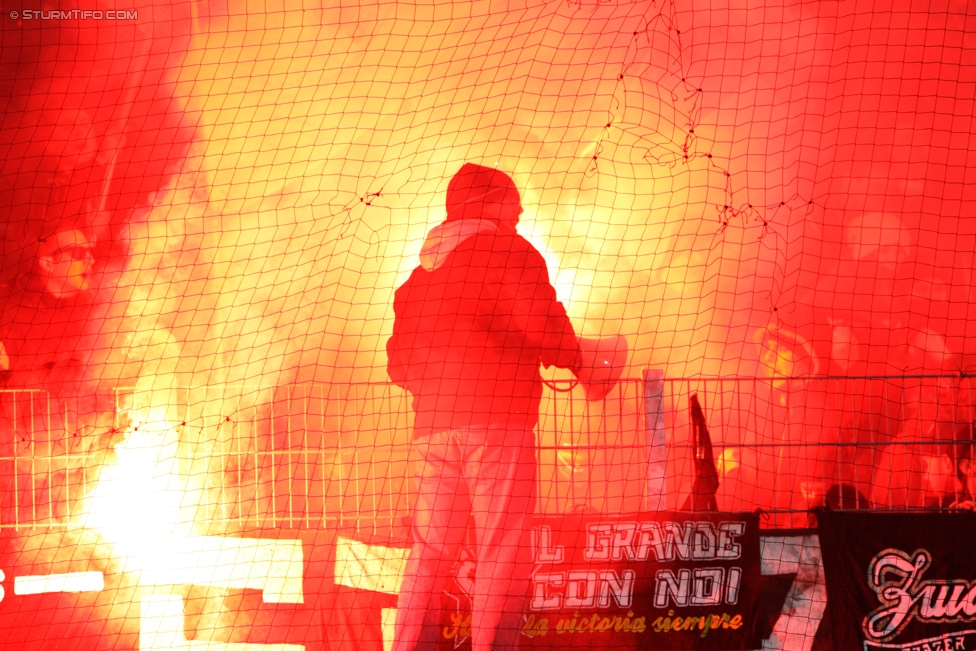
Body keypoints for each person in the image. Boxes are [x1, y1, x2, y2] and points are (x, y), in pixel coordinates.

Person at [386, 163, 583, 651]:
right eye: (511, 199)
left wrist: (439, 386)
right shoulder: (509, 252)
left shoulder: (417, 279)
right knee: (501, 547)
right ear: (484, 205)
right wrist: (578, 358)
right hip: (496, 422)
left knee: (429, 551)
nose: (519, 209)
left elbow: (398, 365)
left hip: (432, 427)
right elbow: (542, 328)